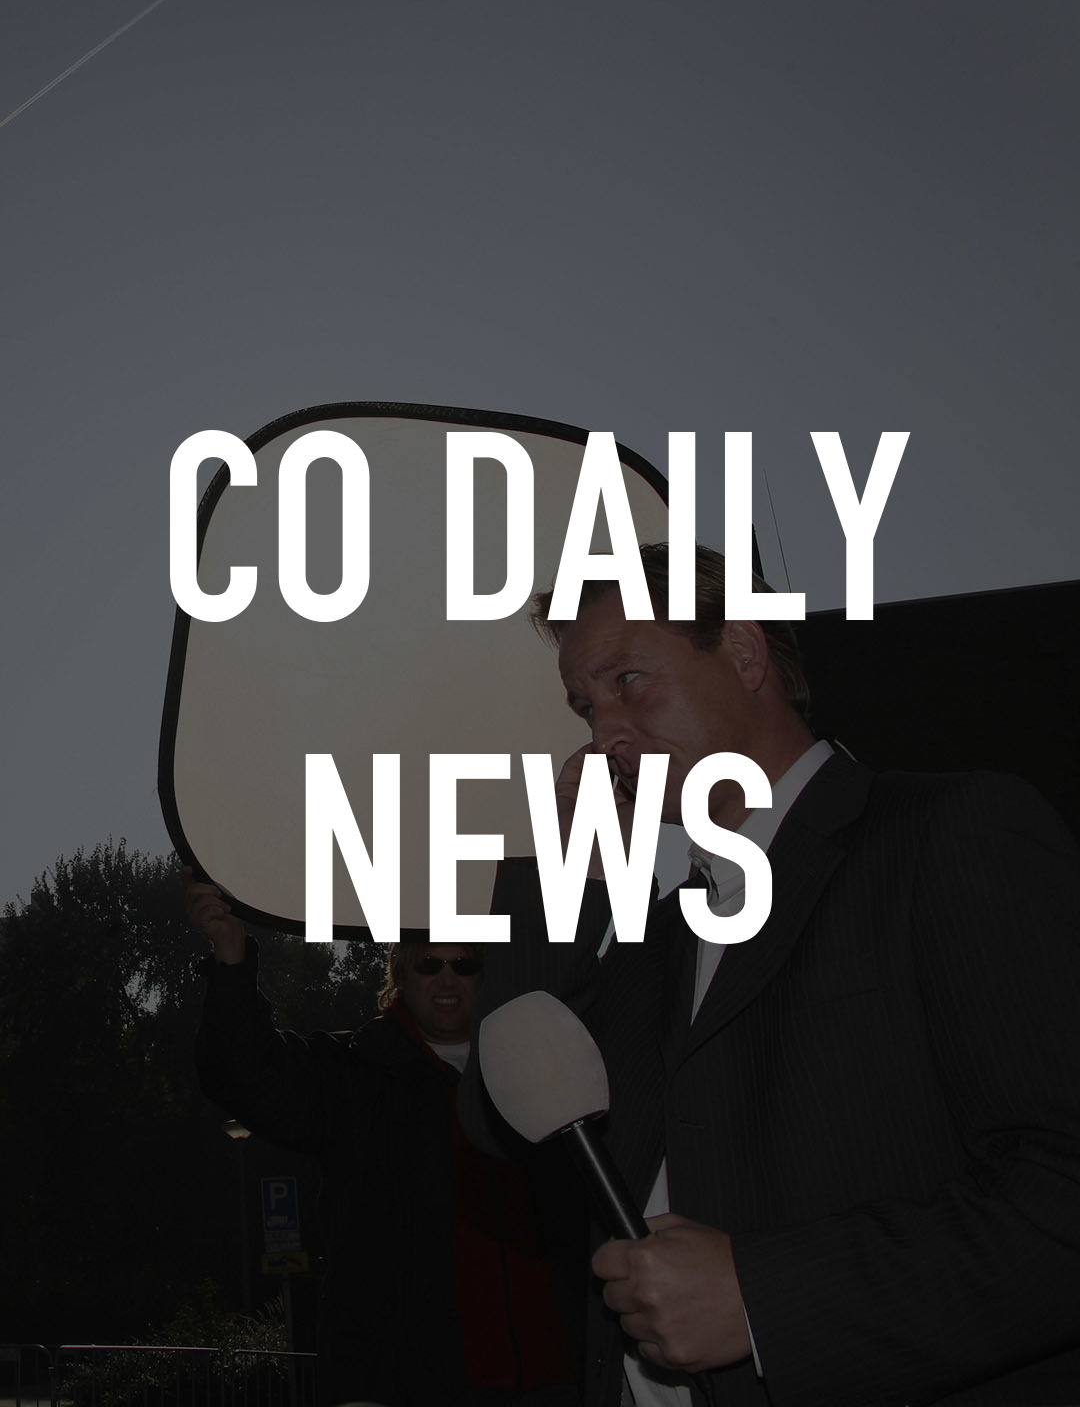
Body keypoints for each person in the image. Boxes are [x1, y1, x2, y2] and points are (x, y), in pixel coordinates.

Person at [460, 543, 1080, 1407]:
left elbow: (1059, 1192)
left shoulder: (948, 833)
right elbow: (503, 1121)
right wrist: (566, 877)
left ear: (745, 653)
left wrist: (763, 1300)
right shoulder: (661, 934)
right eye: (585, 706)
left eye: (628, 681)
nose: (602, 735)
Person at [189, 874, 583, 1407]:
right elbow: (243, 1075)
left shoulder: (545, 1071)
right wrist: (231, 957)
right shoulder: (355, 1074)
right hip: (407, 1383)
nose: (447, 979)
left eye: (465, 964)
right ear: (400, 973)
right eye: (429, 964)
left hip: (556, 1376)